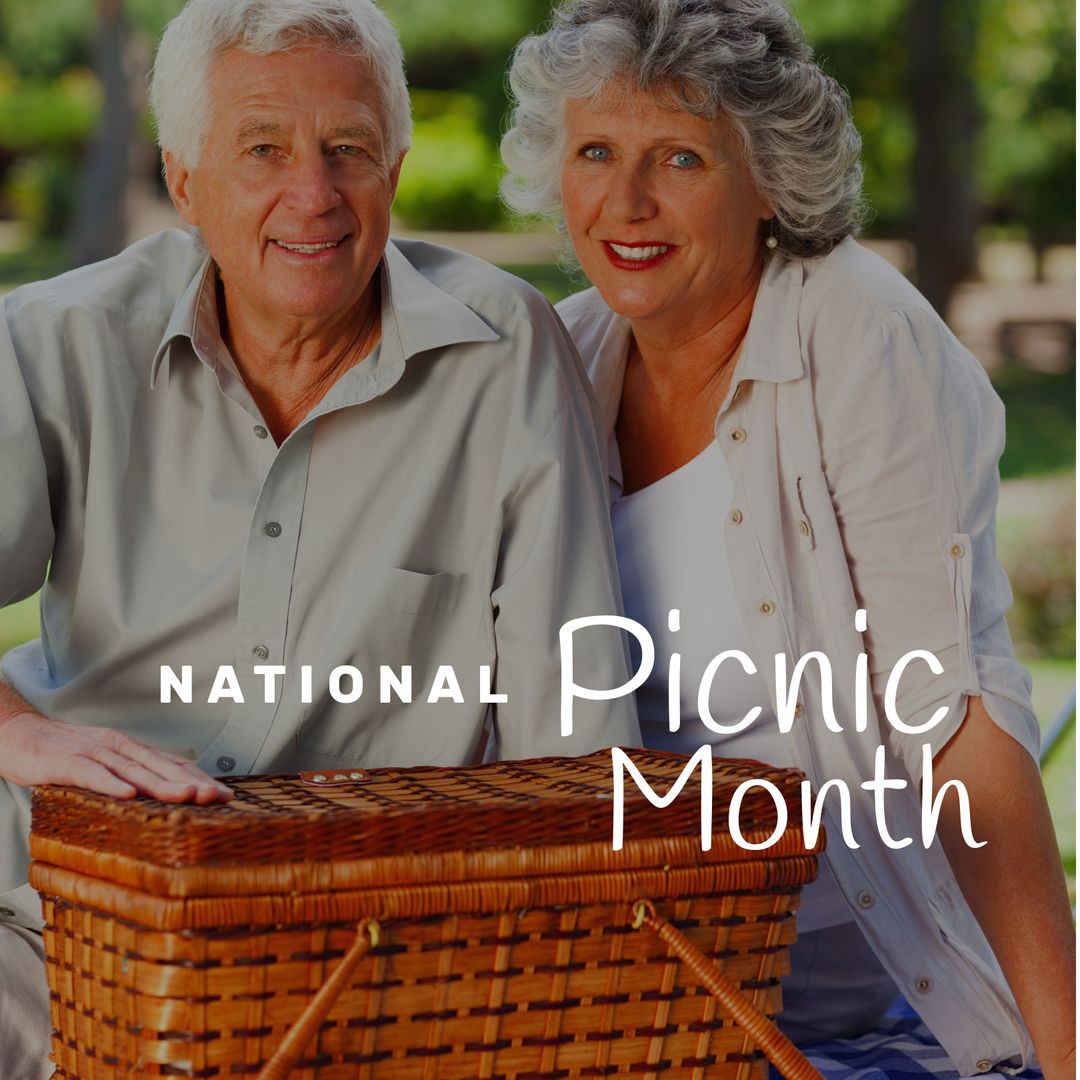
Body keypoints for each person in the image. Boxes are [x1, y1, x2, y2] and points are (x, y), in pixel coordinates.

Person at [0, 1, 640, 1076]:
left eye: (348, 149)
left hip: (361, 968)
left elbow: (574, 748)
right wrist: (21, 734)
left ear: (392, 169)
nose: (315, 194)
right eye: (264, 149)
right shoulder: (56, 340)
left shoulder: (501, 356)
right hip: (50, 925)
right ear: (185, 179)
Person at [501, 0, 1075, 1076]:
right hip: (636, 969)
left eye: (680, 155)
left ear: (768, 179)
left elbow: (953, 713)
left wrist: (1067, 1056)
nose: (627, 200)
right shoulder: (561, 359)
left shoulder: (853, 328)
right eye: (594, 151)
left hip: (854, 961)